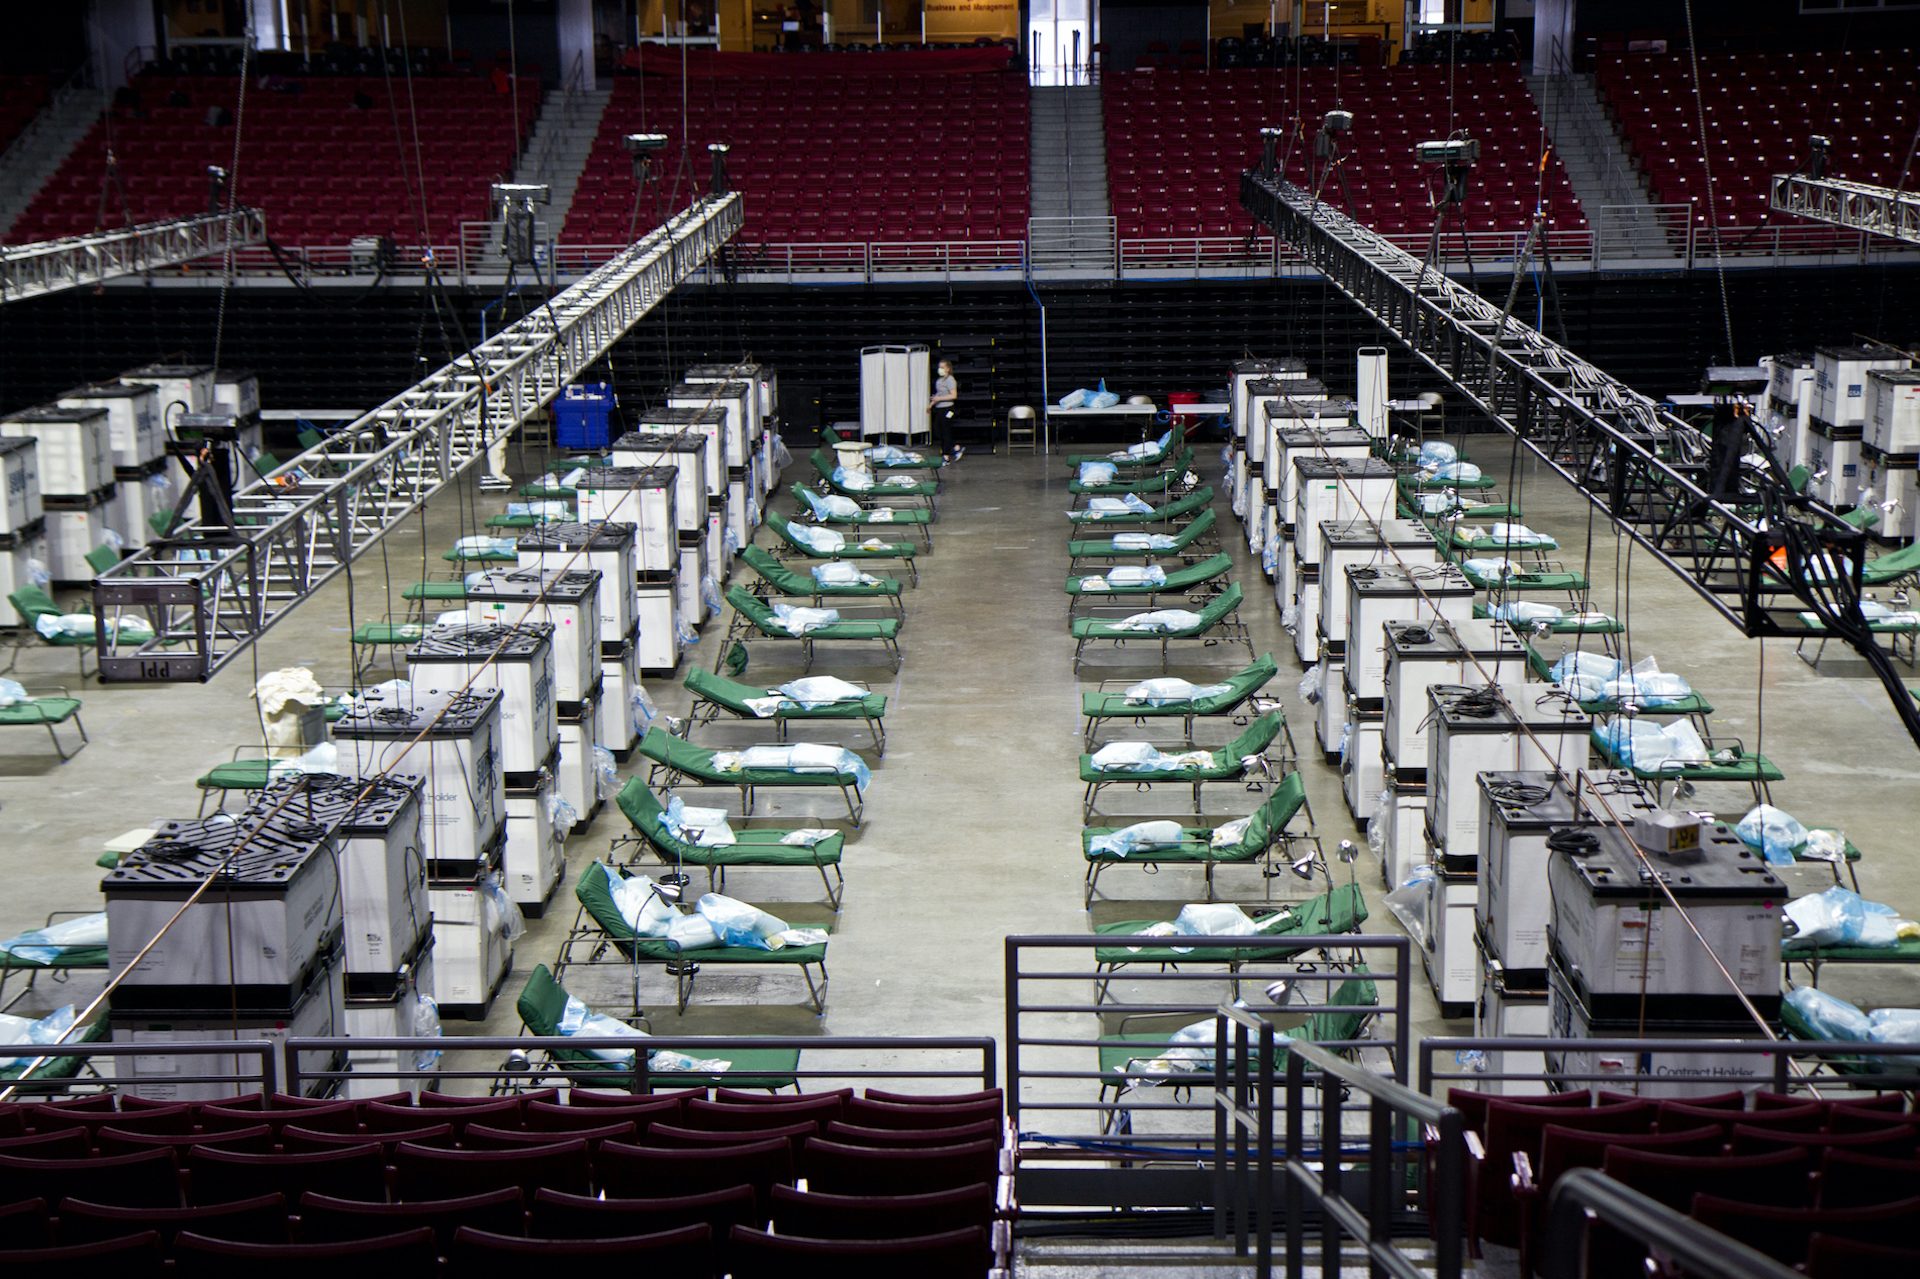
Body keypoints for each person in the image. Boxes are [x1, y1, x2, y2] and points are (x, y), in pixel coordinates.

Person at [929, 358, 963, 461]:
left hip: (948, 408)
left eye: (942, 367)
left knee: (946, 430)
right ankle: (955, 448)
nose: (940, 369)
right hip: (939, 408)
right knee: (937, 430)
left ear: (948, 369)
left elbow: (953, 395)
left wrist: (939, 399)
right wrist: (931, 405)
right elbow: (938, 394)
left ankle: (946, 454)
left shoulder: (950, 380)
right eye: (939, 367)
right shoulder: (939, 381)